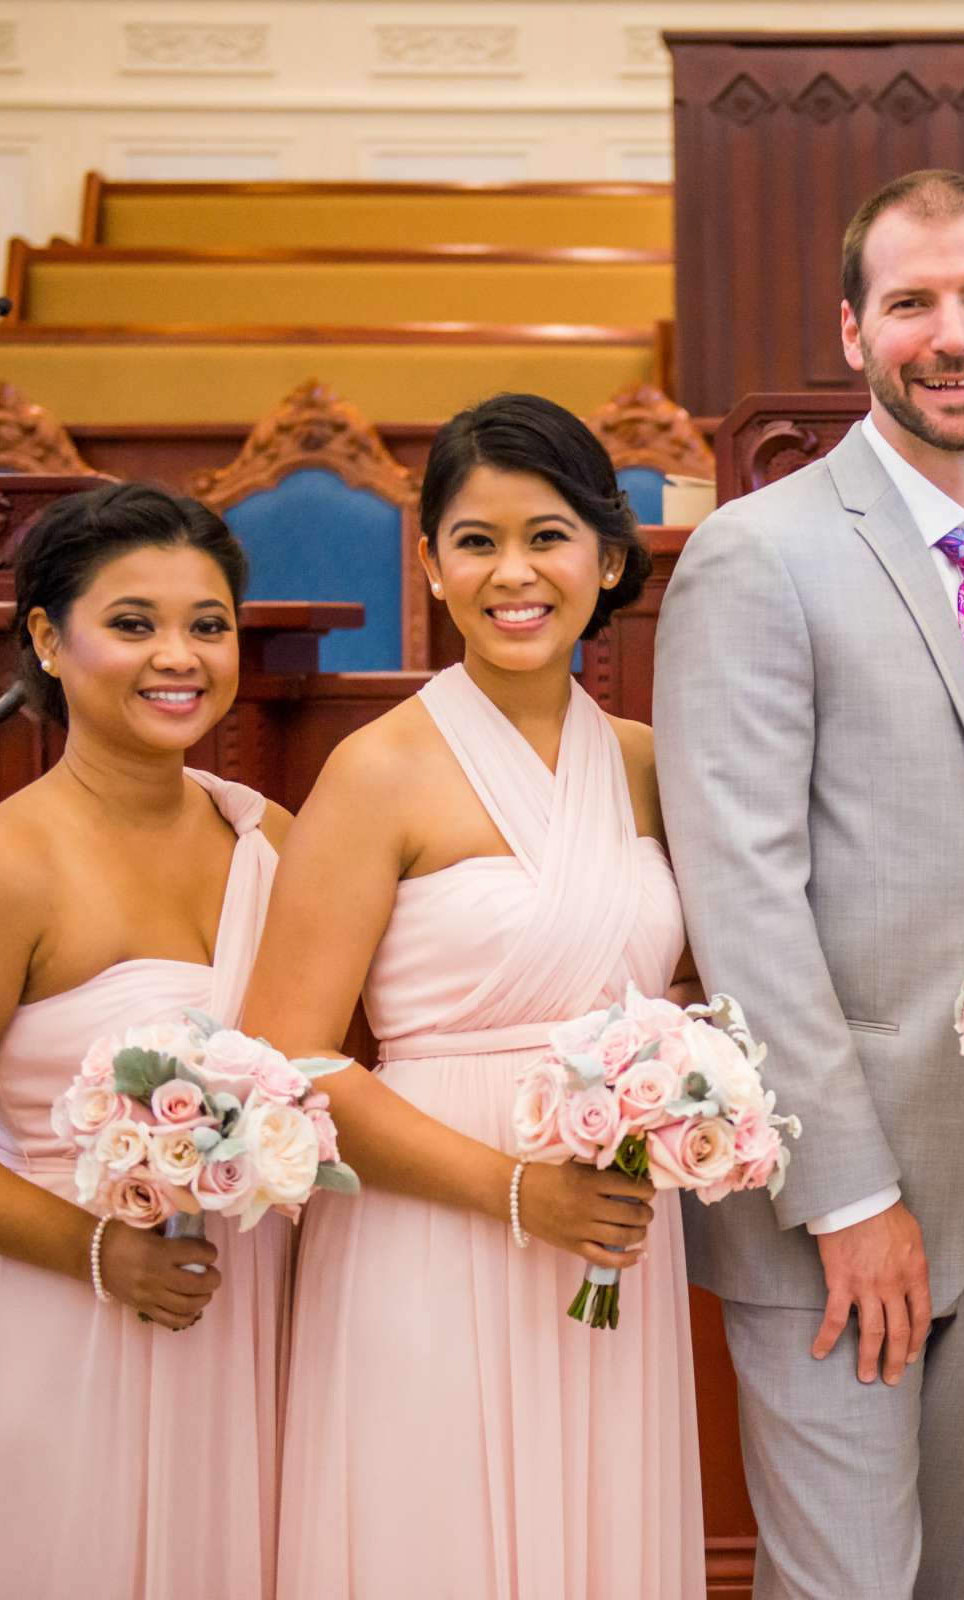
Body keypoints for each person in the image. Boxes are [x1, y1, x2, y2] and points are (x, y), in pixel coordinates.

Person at [652, 168, 964, 1598]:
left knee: (960, 1584)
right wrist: (847, 1193)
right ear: (851, 330)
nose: (952, 333)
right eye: (911, 302)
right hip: (836, 1197)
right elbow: (742, 889)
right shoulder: (758, 554)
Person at [249, 393, 704, 1599]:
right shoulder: (377, 769)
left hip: (607, 1242)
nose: (515, 572)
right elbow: (287, 1058)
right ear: (431, 562)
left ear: (608, 557)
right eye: (476, 539)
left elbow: (701, 986)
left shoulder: (652, 764)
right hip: (429, 1233)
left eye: (548, 536)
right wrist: (516, 1191)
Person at [0, 483, 289, 1598]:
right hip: (58, 1321)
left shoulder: (268, 837)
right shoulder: (6, 868)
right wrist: (105, 1253)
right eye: (133, 622)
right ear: (48, 635)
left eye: (208, 624)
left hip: (243, 1313)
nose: (177, 656)